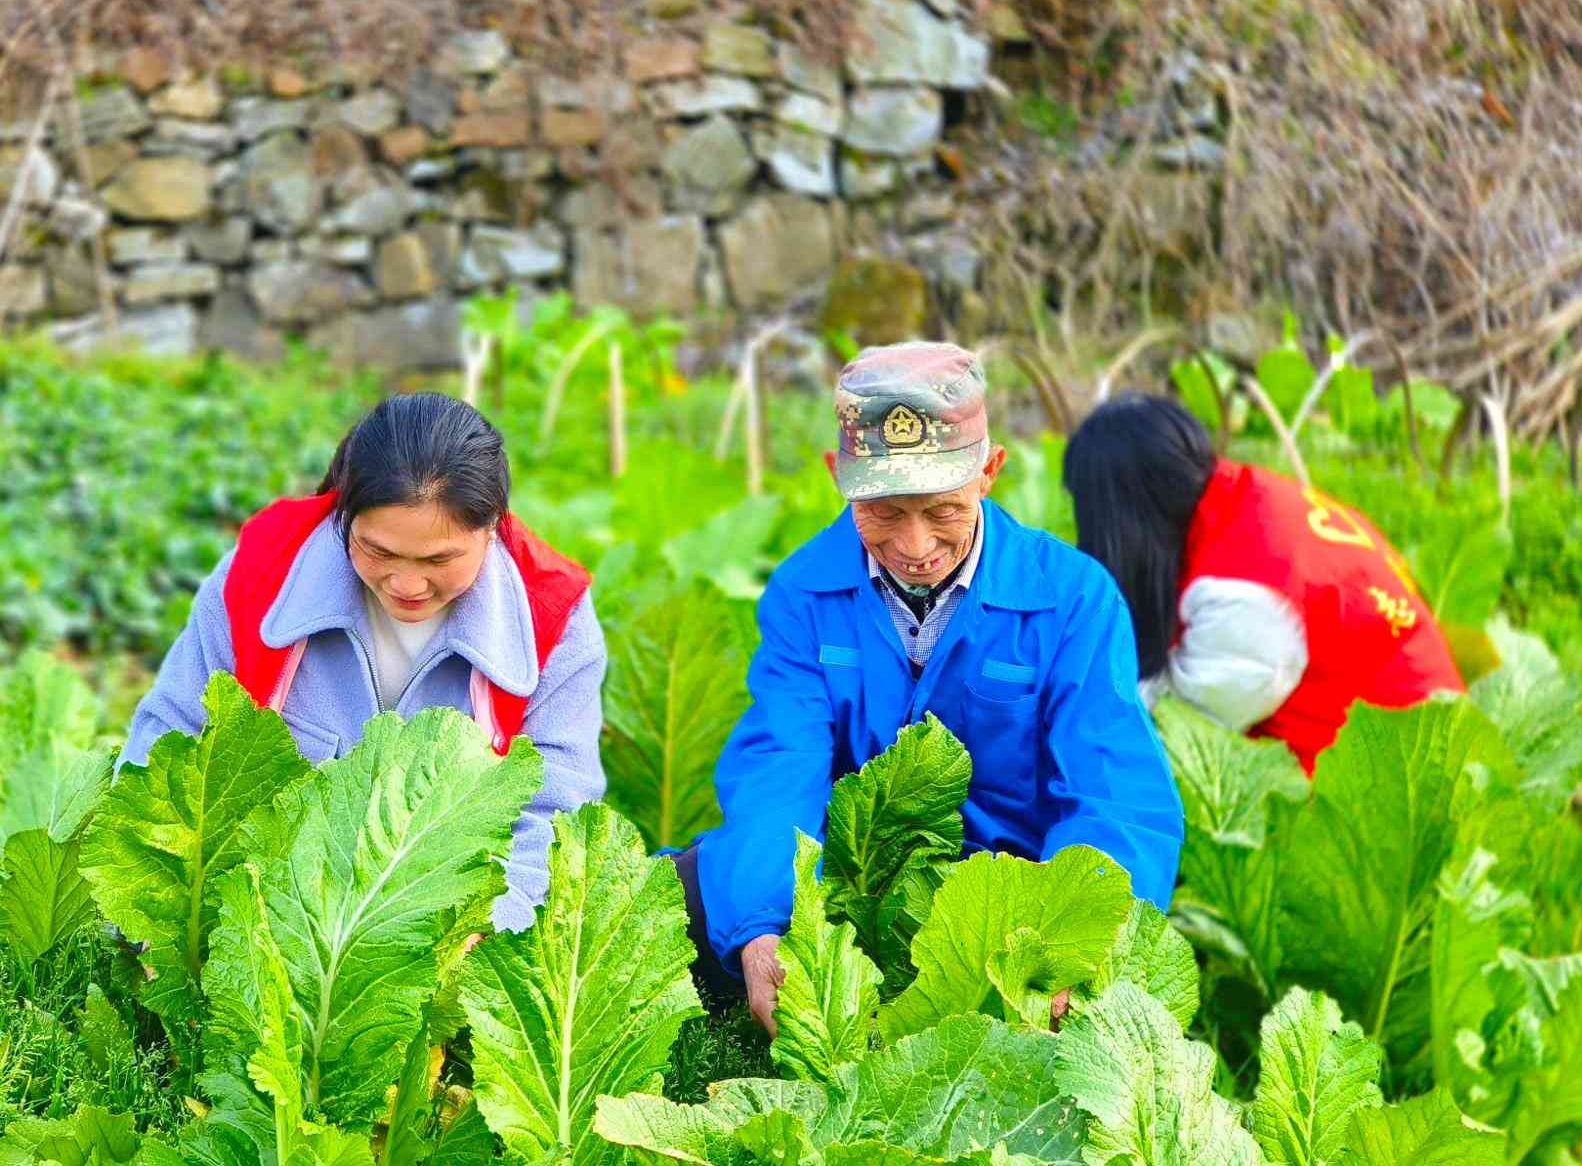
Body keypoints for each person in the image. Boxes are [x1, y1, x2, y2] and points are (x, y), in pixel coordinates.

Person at [675, 342, 1184, 1036]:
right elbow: (778, 768)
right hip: (854, 897)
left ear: (990, 472)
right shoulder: (803, 590)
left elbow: (1114, 794)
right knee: (687, 893)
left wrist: (1068, 941)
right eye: (883, 511)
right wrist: (768, 926)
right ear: (839, 478)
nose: (915, 544)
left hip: (1007, 913)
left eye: (942, 509)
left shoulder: (1072, 598)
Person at [119, 392, 607, 931]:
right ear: (343, 514)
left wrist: (483, 939)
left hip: (440, 928)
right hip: (263, 915)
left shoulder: (556, 621)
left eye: (438, 559)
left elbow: (552, 813)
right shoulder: (259, 577)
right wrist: (154, 923)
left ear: (492, 529)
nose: (406, 584)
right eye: (378, 552)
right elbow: (170, 741)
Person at [1062, 391, 1465, 775]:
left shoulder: (1243, 593)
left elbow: (1176, 732)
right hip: (1416, 735)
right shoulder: (1244, 501)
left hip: (1405, 780)